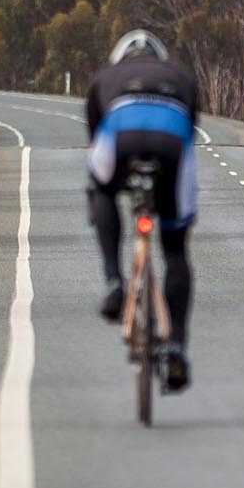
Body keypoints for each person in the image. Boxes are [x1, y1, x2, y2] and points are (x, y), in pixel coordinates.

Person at [83, 28, 202, 392]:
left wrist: (116, 182)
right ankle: (177, 346)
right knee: (176, 248)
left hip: (122, 137)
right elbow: (190, 131)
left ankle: (114, 281)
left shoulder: (105, 77)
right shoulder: (181, 76)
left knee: (101, 189)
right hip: (172, 143)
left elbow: (94, 135)